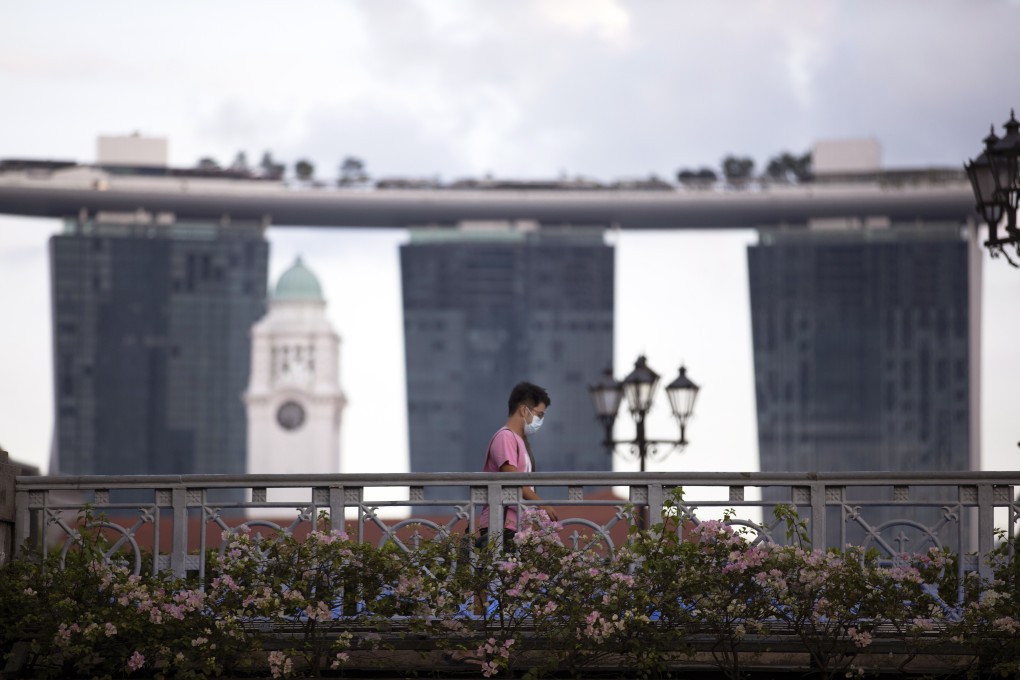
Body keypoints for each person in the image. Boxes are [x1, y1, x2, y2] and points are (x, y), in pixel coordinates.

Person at [478, 381, 559, 547]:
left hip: (516, 525)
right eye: (540, 414)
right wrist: (543, 505)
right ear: (524, 410)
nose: (540, 420)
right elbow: (512, 477)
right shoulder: (505, 437)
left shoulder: (520, 441)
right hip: (502, 525)